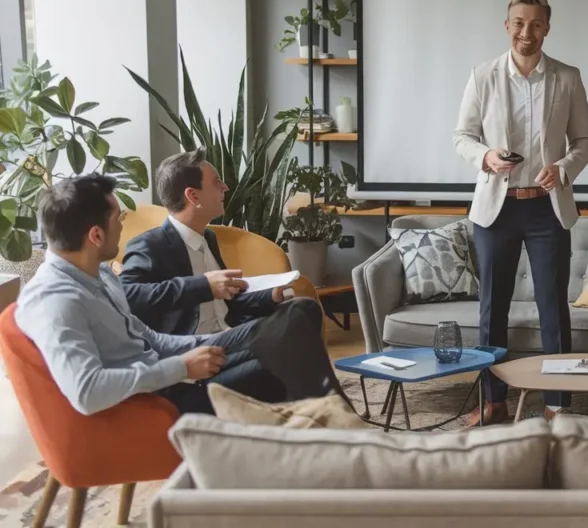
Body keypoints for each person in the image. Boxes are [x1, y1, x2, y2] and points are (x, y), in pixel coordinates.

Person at [15, 174, 352, 416]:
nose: (123, 224)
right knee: (285, 361)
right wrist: (179, 368)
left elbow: (146, 337)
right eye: (118, 217)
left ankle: (332, 429)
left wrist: (198, 350)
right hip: (159, 399)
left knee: (294, 324)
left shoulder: (99, 273)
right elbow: (87, 393)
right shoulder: (56, 302)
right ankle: (341, 430)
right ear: (95, 234)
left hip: (174, 373)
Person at [453, 0, 588, 424]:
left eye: (535, 24)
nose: (526, 32)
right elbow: (462, 136)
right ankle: (491, 400)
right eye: (519, 22)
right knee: (491, 309)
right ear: (507, 25)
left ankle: (557, 403)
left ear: (547, 28)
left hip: (546, 209)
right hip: (497, 208)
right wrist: (485, 157)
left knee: (554, 308)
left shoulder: (567, 77)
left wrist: (564, 167)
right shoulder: (483, 75)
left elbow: (585, 141)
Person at [119, 149, 302, 336]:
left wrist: (271, 295)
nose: (225, 187)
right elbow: (127, 295)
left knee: (302, 309)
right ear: (193, 196)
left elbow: (226, 304)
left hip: (227, 332)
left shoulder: (208, 238)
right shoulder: (150, 244)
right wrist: (203, 286)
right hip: (190, 346)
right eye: (216, 182)